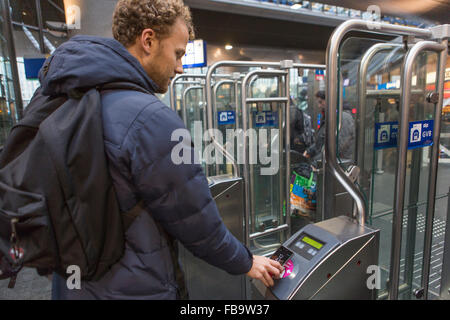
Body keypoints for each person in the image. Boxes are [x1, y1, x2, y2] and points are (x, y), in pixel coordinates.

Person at [49, 0, 282, 300]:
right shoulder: (150, 118)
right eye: (177, 53)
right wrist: (247, 261)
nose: (180, 67)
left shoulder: (68, 98)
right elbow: (197, 223)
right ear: (148, 41)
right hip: (134, 290)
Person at [303, 90, 355, 162]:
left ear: (330, 101)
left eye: (321, 102)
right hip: (326, 161)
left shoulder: (343, 118)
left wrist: (317, 161)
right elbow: (321, 142)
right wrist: (309, 151)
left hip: (339, 164)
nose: (319, 106)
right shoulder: (329, 117)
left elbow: (338, 146)